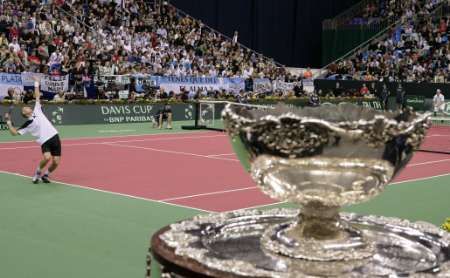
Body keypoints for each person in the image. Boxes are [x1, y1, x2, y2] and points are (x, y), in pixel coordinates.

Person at [4, 79, 61, 184]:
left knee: (56, 162)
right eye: (24, 108)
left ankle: (46, 175)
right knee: (47, 157)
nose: (26, 107)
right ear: (25, 113)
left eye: (26, 107)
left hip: (54, 136)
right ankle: (38, 172)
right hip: (44, 141)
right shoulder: (27, 124)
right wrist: (8, 122)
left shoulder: (37, 110)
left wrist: (36, 83)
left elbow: (37, 95)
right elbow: (14, 133)